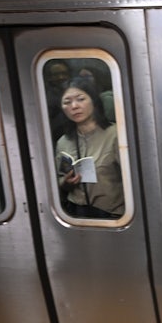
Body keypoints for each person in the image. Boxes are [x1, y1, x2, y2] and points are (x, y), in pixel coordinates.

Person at [54, 77, 124, 219]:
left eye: (81, 99)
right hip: (75, 214)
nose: (74, 106)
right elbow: (59, 182)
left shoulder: (116, 135)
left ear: (94, 101)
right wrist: (66, 183)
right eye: (67, 102)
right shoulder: (63, 142)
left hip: (113, 215)